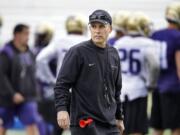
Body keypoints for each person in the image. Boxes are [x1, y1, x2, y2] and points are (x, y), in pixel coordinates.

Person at [54, 9, 124, 135]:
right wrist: (62, 109)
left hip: (110, 123)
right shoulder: (77, 52)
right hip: (85, 123)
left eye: (101, 26)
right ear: (89, 28)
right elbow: (62, 84)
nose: (97, 30)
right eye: (93, 26)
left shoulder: (114, 53)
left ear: (110, 29)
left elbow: (116, 90)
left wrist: (119, 117)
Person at [36, 14, 87, 135]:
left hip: (62, 90)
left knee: (57, 127)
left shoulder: (60, 41)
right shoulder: (87, 42)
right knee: (82, 128)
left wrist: (51, 80)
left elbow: (40, 59)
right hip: (82, 93)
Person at [114, 12, 159, 135]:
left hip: (120, 90)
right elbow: (155, 66)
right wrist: (151, 84)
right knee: (137, 129)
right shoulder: (147, 43)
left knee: (120, 126)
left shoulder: (120, 42)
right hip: (138, 89)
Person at [0, 24, 39, 135]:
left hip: (27, 97)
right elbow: (2, 76)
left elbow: (32, 75)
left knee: (31, 124)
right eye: (25, 34)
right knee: (3, 125)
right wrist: (12, 94)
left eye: (29, 34)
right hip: (8, 98)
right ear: (17, 35)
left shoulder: (30, 53)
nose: (28, 37)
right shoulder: (6, 52)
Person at [150, 2, 180, 135]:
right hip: (173, 87)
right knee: (176, 127)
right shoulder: (177, 36)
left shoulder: (155, 34)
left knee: (158, 127)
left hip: (157, 85)